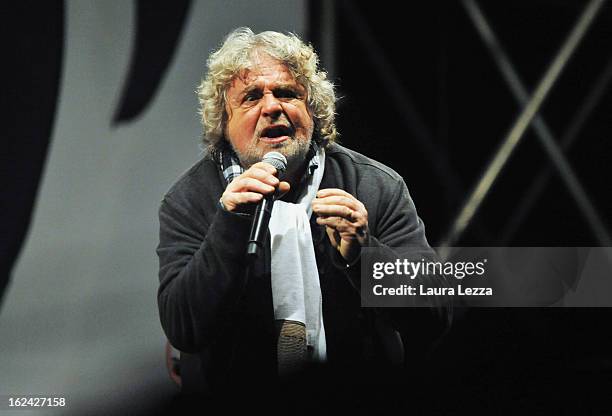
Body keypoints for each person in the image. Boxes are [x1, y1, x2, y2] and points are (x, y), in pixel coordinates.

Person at [156, 27, 450, 406]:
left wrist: (363, 254)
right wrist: (230, 223)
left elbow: (435, 318)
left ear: (313, 110)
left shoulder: (375, 186)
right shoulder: (190, 199)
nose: (272, 107)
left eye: (287, 93)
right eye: (250, 98)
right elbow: (184, 327)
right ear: (223, 125)